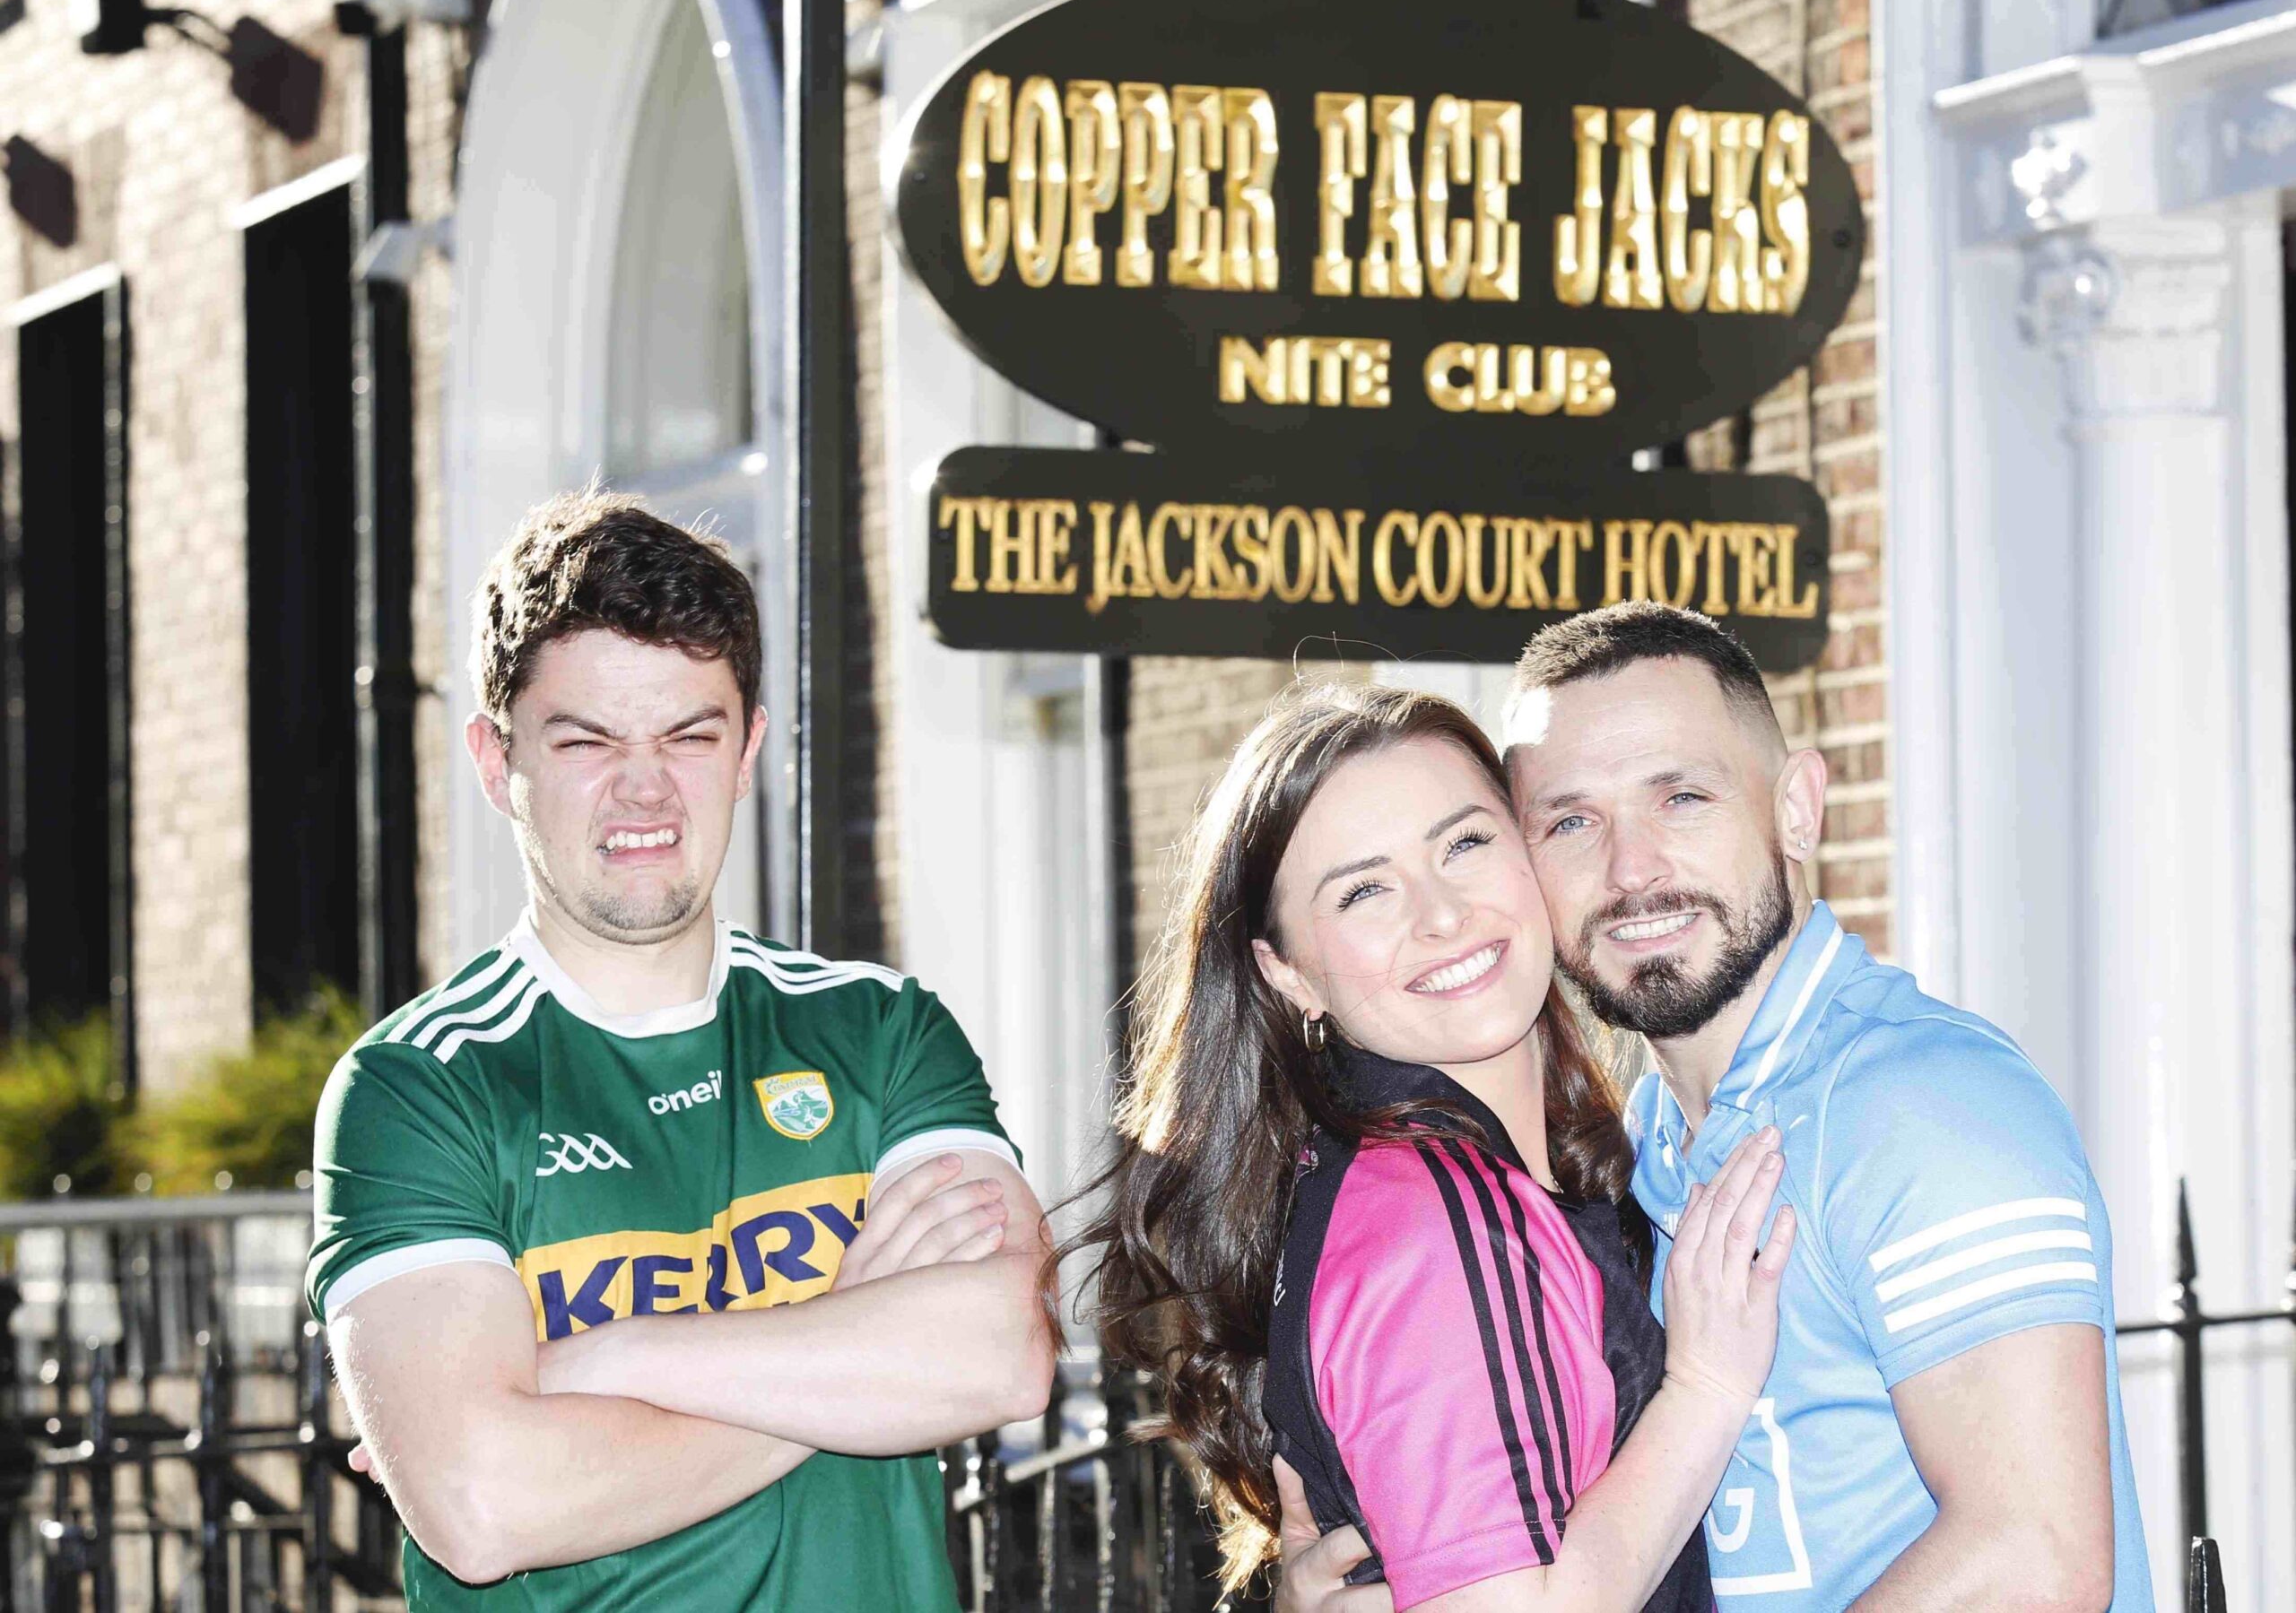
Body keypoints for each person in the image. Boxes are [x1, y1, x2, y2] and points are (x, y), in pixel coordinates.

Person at [1281, 603, 2144, 1610]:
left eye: (1681, 797)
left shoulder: (1926, 1107)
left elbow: (2036, 1561)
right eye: (1569, 821)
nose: (1631, 869)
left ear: (1795, 809)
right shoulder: (1626, 1147)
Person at [305, 487, 1051, 1609]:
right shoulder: (418, 1089)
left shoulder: (878, 1030)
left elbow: (1000, 1356)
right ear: (494, 759)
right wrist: (845, 1335)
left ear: (747, 746)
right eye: (586, 739)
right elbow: (483, 1506)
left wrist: (606, 1363)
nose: (643, 786)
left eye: (688, 735)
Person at [1064, 680, 1798, 1610]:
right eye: (1364, 891)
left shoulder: (1481, 1180)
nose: (1441, 915)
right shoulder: (1434, 1217)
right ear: (1286, 972)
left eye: (1464, 843)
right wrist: (1704, 1388)